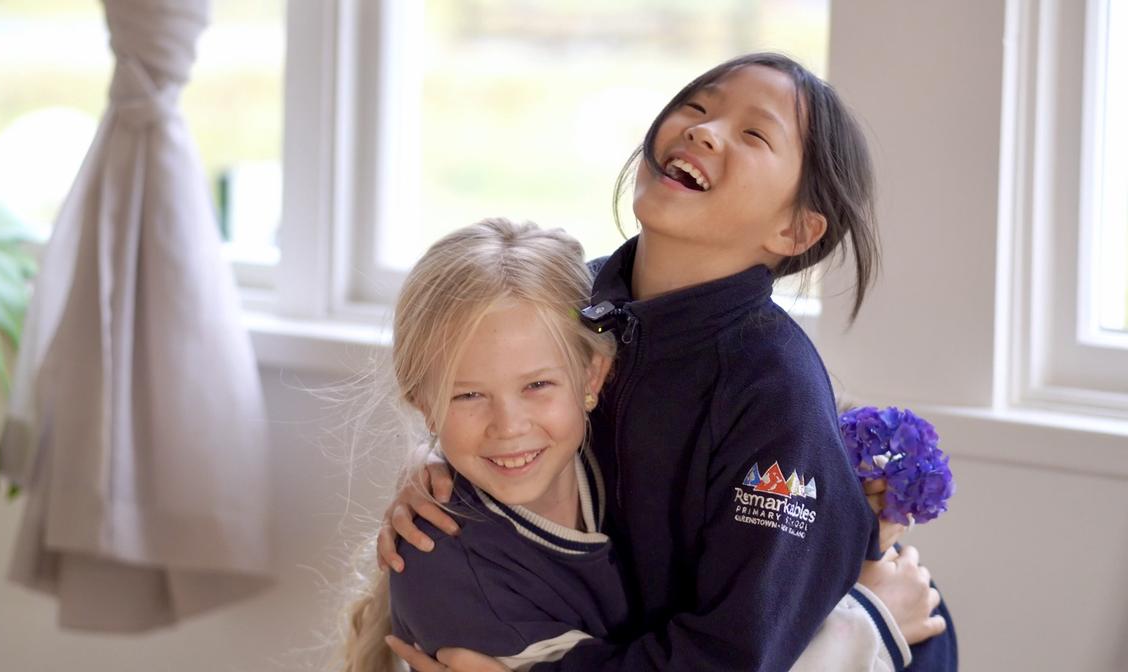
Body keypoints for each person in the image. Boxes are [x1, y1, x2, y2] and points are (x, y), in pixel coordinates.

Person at [377, 53, 958, 671]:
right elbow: (493, 397)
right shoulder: (573, 304)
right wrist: (440, 468)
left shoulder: (774, 393)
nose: (704, 131)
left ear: (794, 231)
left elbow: (732, 657)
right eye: (697, 107)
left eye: (754, 134)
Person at [347, 218, 942, 672]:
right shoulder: (459, 583)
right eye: (468, 395)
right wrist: (869, 624)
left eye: (536, 386)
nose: (508, 425)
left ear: (593, 378)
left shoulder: (621, 441)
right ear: (422, 402)